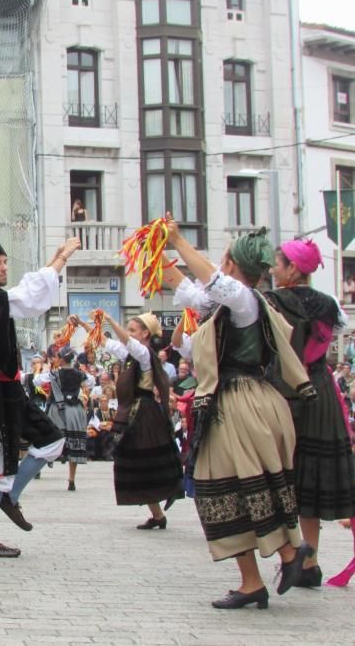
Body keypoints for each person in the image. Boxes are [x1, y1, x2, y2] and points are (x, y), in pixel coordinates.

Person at [164, 216, 315, 609]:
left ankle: (284, 556)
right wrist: (155, 254)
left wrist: (178, 240)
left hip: (241, 402)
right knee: (225, 492)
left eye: (223, 261)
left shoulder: (246, 300)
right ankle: (257, 578)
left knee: (245, 484)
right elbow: (189, 290)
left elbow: (211, 283)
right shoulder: (226, 307)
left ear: (231, 266)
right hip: (233, 403)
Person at [0, 232, 79, 558]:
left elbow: (28, 295)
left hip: (10, 389)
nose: (3, 268)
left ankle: (10, 496)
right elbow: (30, 294)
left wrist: (56, 260)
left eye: (4, 262)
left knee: (53, 441)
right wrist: (60, 259)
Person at [265, 238, 355, 588]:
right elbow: (334, 331)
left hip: (287, 390)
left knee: (285, 475)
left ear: (294, 269)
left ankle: (295, 556)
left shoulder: (274, 301)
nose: (273, 269)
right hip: (320, 390)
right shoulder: (330, 303)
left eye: (278, 264)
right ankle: (310, 561)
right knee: (311, 477)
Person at [96, 311, 182, 530]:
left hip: (144, 415)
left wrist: (110, 321)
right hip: (135, 413)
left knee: (146, 463)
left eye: (133, 329)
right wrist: (85, 326)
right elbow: (106, 342)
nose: (129, 333)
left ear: (145, 333)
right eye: (129, 329)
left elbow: (126, 342)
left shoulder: (144, 354)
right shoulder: (130, 354)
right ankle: (157, 515)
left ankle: (161, 508)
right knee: (138, 464)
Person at [45, 339, 88, 491]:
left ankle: (39, 468)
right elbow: (87, 386)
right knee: (73, 440)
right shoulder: (80, 374)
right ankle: (71, 478)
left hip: (58, 409)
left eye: (56, 357)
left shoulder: (54, 374)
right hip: (75, 410)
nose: (55, 359)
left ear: (61, 359)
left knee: (48, 439)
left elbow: (45, 387)